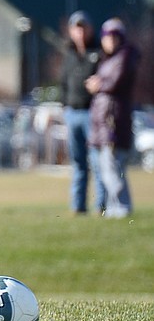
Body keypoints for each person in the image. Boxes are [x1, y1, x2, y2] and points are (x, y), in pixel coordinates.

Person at [86, 17, 137, 218]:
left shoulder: (125, 56)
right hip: (102, 120)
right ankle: (113, 207)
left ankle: (122, 207)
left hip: (113, 120)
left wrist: (98, 84)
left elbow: (115, 81)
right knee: (105, 168)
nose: (110, 41)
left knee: (113, 167)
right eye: (107, 37)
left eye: (115, 37)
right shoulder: (105, 59)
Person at [57, 11, 102, 214]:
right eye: (77, 28)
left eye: (83, 27)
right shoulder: (69, 55)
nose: (80, 32)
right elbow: (63, 84)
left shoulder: (98, 53)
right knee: (78, 163)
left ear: (90, 30)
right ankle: (78, 206)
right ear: (71, 31)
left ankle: (101, 204)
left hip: (92, 113)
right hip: (72, 113)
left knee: (97, 161)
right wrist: (64, 105)